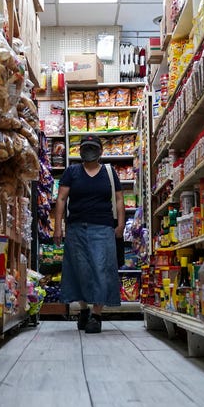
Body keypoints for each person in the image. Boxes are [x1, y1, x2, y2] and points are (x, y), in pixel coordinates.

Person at [53, 135, 124, 333]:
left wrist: (120, 224)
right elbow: (61, 199)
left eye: (93, 147)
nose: (89, 151)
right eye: (86, 147)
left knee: (101, 269)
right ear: (80, 150)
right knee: (80, 270)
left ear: (100, 151)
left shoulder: (109, 172)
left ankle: (97, 315)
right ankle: (84, 310)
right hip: (76, 228)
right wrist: (58, 227)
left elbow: (119, 200)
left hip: (103, 228)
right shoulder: (71, 172)